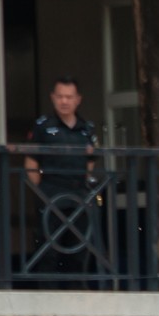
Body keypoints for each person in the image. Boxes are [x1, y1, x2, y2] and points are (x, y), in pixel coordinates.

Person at [24, 77, 99, 286]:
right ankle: (47, 296)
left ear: (78, 99)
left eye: (69, 97)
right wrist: (41, 191)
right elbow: (31, 163)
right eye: (60, 97)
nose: (64, 101)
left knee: (79, 250)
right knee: (48, 251)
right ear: (53, 98)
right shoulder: (43, 126)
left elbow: (91, 161)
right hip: (51, 195)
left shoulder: (87, 128)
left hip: (78, 197)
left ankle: (76, 295)